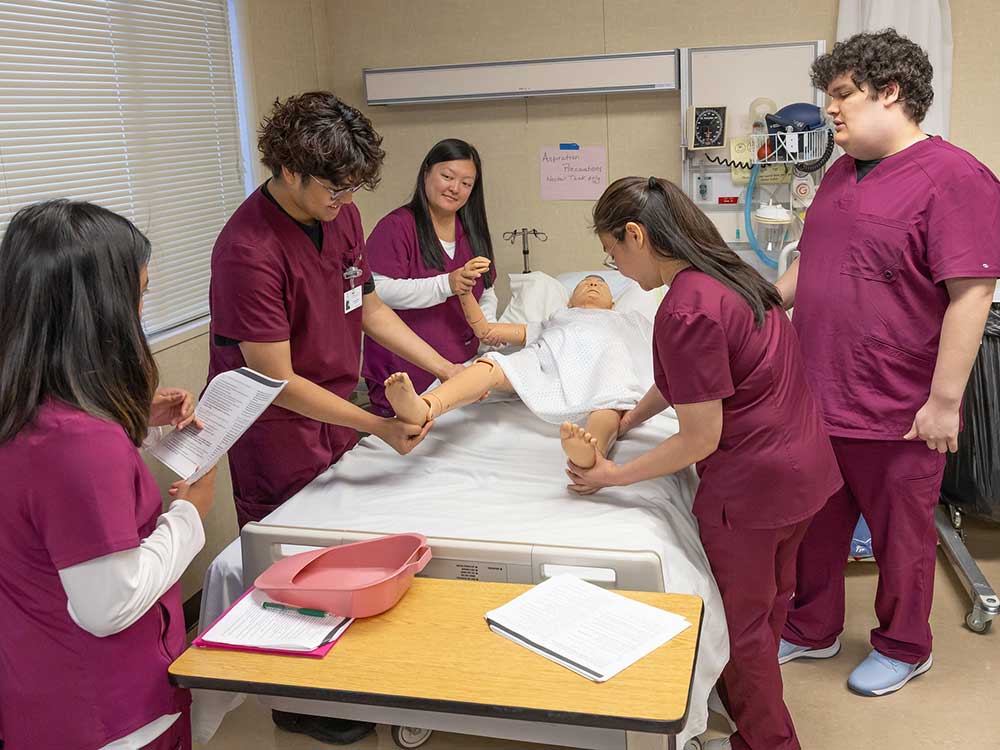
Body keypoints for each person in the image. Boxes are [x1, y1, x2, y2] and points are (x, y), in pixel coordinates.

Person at [207, 91, 463, 745]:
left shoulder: (341, 217)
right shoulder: (248, 250)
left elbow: (368, 308)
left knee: (344, 549)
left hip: (334, 403)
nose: (345, 202)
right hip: (277, 424)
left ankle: (347, 673)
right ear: (289, 169)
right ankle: (300, 699)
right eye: (334, 188)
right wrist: (375, 424)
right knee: (295, 562)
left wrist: (447, 368)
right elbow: (275, 380)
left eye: (352, 189)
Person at [566, 177, 843, 750]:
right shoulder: (732, 277)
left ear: (636, 235)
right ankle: (757, 725)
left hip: (752, 494)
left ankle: (768, 742)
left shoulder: (684, 309)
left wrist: (613, 476)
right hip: (806, 475)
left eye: (612, 252)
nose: (615, 268)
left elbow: (698, 438)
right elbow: (689, 382)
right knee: (770, 609)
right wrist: (625, 421)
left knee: (740, 634)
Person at [773, 29, 1000, 697]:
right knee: (815, 528)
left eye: (842, 95)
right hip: (822, 396)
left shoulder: (955, 177)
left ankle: (905, 645)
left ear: (891, 91)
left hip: (898, 406)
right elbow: (811, 267)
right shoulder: (841, 173)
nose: (830, 111)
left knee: (901, 539)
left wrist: (944, 403)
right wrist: (760, 293)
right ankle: (811, 629)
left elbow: (971, 294)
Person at [0, 200, 218, 750]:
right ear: (99, 310)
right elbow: (108, 606)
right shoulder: (78, 442)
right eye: (140, 295)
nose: (142, 310)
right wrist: (191, 515)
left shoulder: (21, 404)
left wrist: (132, 417)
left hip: (38, 689)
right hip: (112, 712)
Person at [383, 274, 653, 475]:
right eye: (585, 283)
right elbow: (487, 332)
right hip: (546, 363)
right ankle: (426, 406)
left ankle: (591, 454)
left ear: (613, 302)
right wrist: (465, 294)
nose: (593, 284)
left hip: (604, 367)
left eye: (600, 284)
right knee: (490, 364)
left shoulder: (630, 319)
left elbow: (663, 348)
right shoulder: (554, 319)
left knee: (609, 402)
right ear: (569, 300)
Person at [363, 138, 498, 415]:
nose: (454, 188)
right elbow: (377, 293)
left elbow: (486, 289)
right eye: (447, 176)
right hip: (404, 375)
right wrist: (446, 283)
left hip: (461, 368)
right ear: (426, 172)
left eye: (466, 183)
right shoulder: (396, 227)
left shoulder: (472, 232)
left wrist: (487, 328)